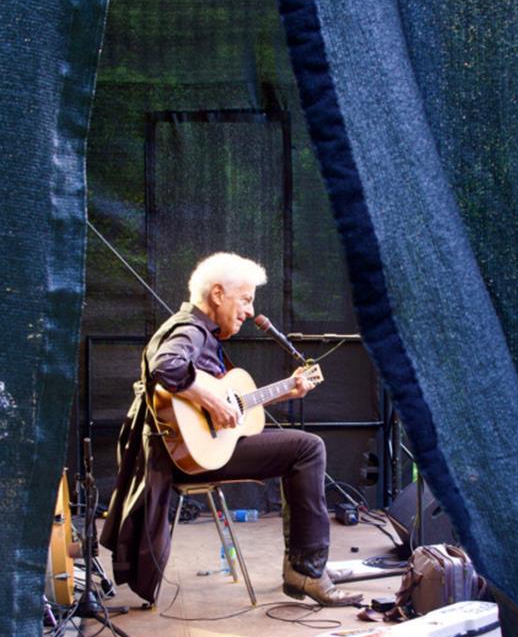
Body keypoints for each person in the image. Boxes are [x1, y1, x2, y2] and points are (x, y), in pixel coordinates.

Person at [100, 251, 363, 608]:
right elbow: (166, 366)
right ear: (218, 294)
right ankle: (306, 570)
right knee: (308, 448)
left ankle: (306, 566)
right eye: (246, 299)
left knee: (300, 450)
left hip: (199, 450)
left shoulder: (203, 336)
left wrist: (287, 388)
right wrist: (209, 397)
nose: (250, 311)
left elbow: (229, 411)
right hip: (186, 458)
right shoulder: (188, 329)